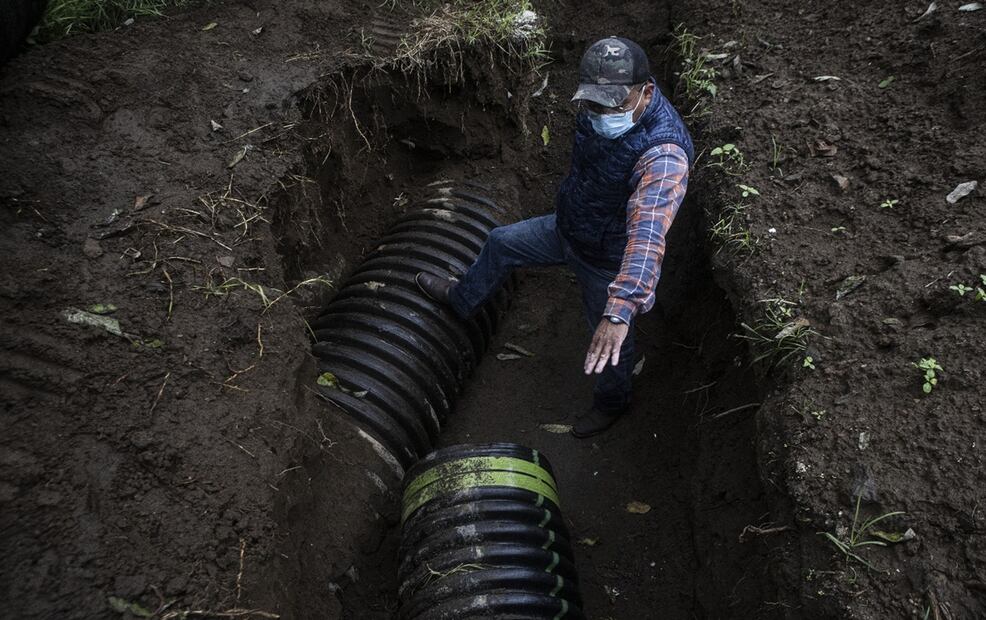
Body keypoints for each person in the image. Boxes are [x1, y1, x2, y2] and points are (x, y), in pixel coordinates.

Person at [416, 36, 693, 437]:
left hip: (607, 260)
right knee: (501, 241)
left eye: (612, 104)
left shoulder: (663, 155)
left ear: (645, 92)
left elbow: (647, 235)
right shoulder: (601, 110)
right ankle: (462, 300)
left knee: (609, 346)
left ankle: (612, 402)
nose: (601, 113)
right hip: (569, 228)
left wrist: (619, 310)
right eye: (594, 103)